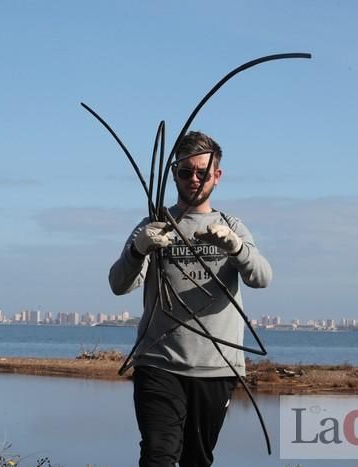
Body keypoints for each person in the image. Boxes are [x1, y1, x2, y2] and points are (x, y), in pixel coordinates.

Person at [109, 131, 272, 467]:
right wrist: (139, 248)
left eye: (202, 172)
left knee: (196, 460)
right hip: (158, 363)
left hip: (216, 367)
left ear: (217, 175)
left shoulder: (233, 225)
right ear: (174, 174)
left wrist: (235, 247)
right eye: (185, 172)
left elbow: (262, 278)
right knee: (158, 457)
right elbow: (119, 284)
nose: (194, 179)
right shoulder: (153, 225)